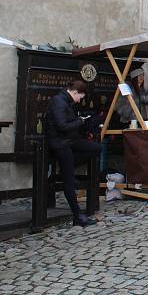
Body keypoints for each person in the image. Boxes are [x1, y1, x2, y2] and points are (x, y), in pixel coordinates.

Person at [45, 80, 102, 227]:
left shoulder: (66, 102)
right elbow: (62, 125)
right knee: (69, 182)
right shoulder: (59, 102)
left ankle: (68, 167)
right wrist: (80, 122)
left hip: (69, 141)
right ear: (75, 92)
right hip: (61, 143)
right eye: (80, 97)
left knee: (96, 148)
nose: (80, 100)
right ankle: (78, 216)